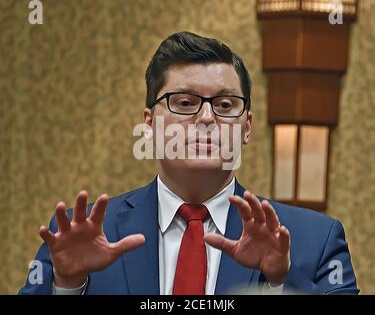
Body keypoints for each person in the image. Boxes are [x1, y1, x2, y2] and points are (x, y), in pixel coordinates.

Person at [19, 31, 358, 295]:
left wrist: (277, 284)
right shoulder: (85, 235)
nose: (207, 118)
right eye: (184, 102)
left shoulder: (316, 240)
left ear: (247, 127)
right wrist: (67, 285)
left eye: (225, 105)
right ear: (149, 124)